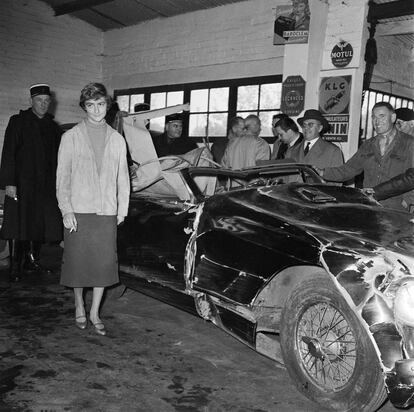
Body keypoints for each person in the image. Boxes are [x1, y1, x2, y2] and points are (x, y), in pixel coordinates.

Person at [56, 83, 130, 335]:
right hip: (78, 211)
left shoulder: (117, 139)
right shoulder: (70, 137)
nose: (96, 110)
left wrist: (122, 210)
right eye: (90, 105)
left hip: (106, 212)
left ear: (107, 106)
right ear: (84, 107)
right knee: (78, 263)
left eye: (100, 104)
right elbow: (62, 178)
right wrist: (66, 210)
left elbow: (123, 179)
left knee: (103, 264)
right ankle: (79, 306)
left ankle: (95, 312)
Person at [0, 84, 63, 282]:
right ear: (31, 101)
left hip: (45, 186)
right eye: (39, 100)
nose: (43, 105)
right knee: (20, 224)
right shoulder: (18, 122)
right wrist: (9, 182)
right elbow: (8, 152)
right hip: (22, 184)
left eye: (46, 101)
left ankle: (31, 260)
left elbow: (58, 158)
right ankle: (15, 266)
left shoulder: (53, 127)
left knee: (40, 224)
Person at [320, 102, 414, 211]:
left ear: (393, 118)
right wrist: (323, 172)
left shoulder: (409, 143)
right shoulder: (368, 145)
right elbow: (349, 169)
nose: (377, 121)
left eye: (382, 116)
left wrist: (408, 202)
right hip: (370, 205)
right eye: (373, 117)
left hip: (396, 208)